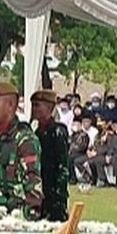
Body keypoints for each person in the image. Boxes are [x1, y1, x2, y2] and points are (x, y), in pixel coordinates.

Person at [0, 82, 42, 227]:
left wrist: (25, 225)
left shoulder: (24, 140)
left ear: (10, 105)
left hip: (13, 224)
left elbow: (33, 189)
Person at [31, 90, 69, 222]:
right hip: (40, 189)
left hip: (54, 191)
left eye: (37, 105)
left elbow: (62, 165)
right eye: (33, 105)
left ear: (49, 107)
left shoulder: (57, 131)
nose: (34, 109)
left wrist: (59, 193)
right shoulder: (36, 133)